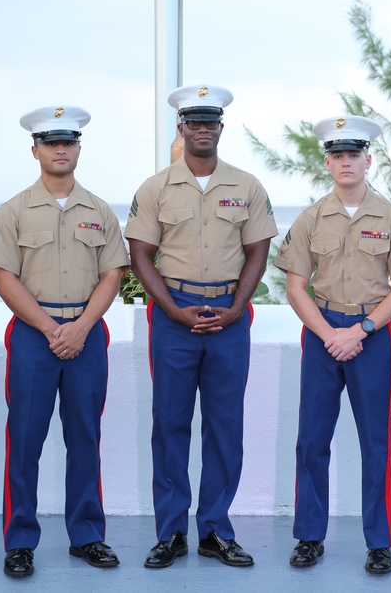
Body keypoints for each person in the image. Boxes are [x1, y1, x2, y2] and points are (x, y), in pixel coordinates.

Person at [124, 84, 278, 568]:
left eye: (210, 122)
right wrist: (170, 308)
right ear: (182, 129)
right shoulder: (154, 188)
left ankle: (214, 529)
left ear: (220, 128)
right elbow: (140, 256)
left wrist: (236, 307)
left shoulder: (247, 186)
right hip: (174, 315)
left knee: (225, 426)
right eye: (194, 122)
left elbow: (258, 251)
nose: (203, 130)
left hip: (229, 314)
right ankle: (171, 532)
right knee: (170, 424)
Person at [273, 115, 391, 575]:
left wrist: (359, 332)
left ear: (368, 160)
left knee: (375, 441)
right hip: (322, 332)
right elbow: (296, 287)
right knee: (312, 441)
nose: (345, 163)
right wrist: (329, 335)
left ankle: (379, 542)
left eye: (353, 155)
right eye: (337, 156)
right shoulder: (310, 218)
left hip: (372, 334)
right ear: (327, 162)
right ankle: (309, 537)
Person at [0, 106, 128, 577]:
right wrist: (49, 329)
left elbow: (113, 274)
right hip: (32, 335)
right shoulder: (16, 210)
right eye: (50, 142)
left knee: (85, 436)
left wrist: (81, 327)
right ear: (35, 150)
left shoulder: (99, 210)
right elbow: (3, 276)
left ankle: (87, 536)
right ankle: (20, 540)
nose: (60, 149)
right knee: (25, 439)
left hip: (86, 334)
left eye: (68, 142)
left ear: (79, 149)